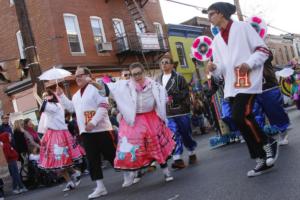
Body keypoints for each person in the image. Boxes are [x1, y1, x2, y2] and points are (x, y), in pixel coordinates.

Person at [205, 2, 278, 177]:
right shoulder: (216, 40)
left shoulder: (243, 27)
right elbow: (221, 68)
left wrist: (249, 63)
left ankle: (267, 143)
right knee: (239, 119)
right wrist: (214, 68)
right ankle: (260, 157)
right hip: (232, 85)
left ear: (221, 13)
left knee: (240, 115)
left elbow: (263, 50)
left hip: (248, 79)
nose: (209, 18)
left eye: (211, 14)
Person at [91, 62, 175, 186]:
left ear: (143, 72)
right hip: (132, 120)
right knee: (132, 145)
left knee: (154, 144)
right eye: (134, 74)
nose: (137, 76)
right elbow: (108, 89)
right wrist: (95, 84)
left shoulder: (155, 86)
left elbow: (163, 98)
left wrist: (163, 108)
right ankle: (136, 173)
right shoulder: (124, 86)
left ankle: (165, 171)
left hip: (150, 118)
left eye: (139, 73)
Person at [56, 67, 116, 199]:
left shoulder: (97, 88)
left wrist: (93, 122)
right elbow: (72, 108)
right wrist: (61, 96)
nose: (77, 78)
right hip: (86, 132)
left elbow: (104, 107)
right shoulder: (77, 95)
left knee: (111, 155)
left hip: (102, 129)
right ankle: (100, 187)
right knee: (92, 160)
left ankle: (128, 173)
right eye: (76, 76)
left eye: (80, 75)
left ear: (88, 76)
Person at [34, 89, 83, 192]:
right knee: (60, 161)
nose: (45, 97)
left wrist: (35, 94)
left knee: (59, 160)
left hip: (57, 135)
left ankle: (73, 176)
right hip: (54, 134)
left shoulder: (54, 106)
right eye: (44, 96)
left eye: (47, 95)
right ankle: (72, 177)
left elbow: (43, 105)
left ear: (52, 96)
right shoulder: (54, 106)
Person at [156, 56, 197, 169]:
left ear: (172, 65)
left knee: (185, 133)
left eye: (166, 62)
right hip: (167, 113)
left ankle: (191, 152)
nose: (164, 64)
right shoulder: (157, 79)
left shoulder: (179, 77)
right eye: (162, 63)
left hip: (181, 111)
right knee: (173, 134)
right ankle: (177, 158)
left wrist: (173, 98)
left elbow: (185, 92)